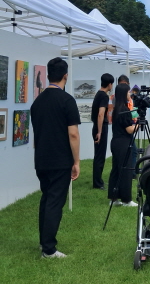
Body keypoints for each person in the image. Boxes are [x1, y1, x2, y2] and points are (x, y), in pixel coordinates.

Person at [31, 57, 81, 258]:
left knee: (46, 198)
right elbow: (73, 134)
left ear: (49, 75)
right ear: (65, 76)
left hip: (41, 158)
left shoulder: (38, 101)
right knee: (54, 202)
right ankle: (49, 249)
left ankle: (44, 242)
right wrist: (76, 161)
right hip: (60, 159)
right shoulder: (67, 100)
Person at [107, 83, 138, 207]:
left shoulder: (117, 108)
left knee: (116, 170)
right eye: (128, 92)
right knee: (126, 170)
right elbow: (129, 129)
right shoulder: (124, 109)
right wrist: (138, 125)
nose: (130, 94)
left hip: (116, 142)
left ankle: (113, 198)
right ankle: (126, 199)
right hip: (124, 142)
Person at [91, 73, 114, 190]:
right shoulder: (104, 96)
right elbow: (101, 114)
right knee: (100, 155)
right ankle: (97, 182)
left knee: (98, 154)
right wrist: (99, 132)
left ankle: (98, 180)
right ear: (109, 84)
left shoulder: (98, 94)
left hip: (96, 126)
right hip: (100, 128)